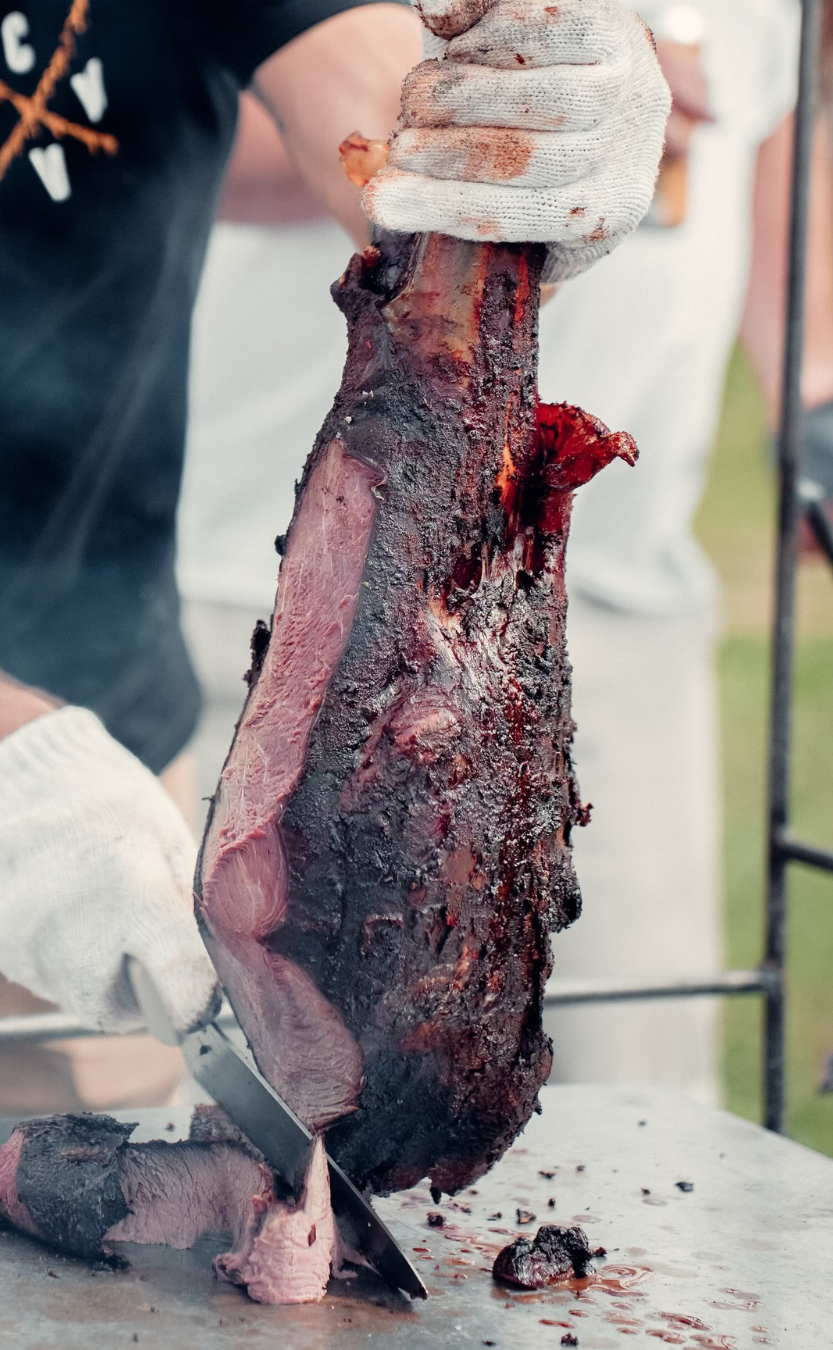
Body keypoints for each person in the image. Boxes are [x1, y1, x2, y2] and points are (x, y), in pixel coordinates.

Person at [0, 0, 668, 1121]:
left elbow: (365, 101)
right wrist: (6, 772)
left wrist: (500, 144)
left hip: (105, 845)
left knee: (88, 1270)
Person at [179, 0, 833, 1105]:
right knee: (265, 1086)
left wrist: (811, 381)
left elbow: (779, 141)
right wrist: (504, 126)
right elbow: (189, 127)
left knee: (644, 1104)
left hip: (613, 607)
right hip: (298, 602)